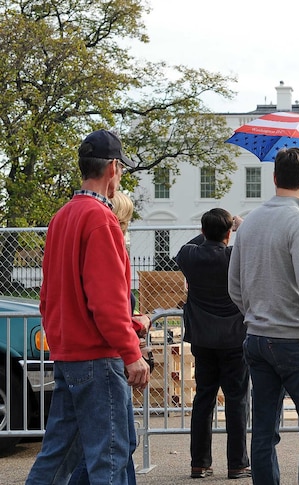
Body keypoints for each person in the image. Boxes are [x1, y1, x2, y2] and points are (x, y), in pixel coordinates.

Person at [27, 130, 150, 484]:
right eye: (121, 168)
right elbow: (106, 299)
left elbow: (49, 295)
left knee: (59, 455)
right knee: (108, 458)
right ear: (112, 168)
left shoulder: (62, 216)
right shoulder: (100, 218)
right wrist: (131, 351)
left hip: (69, 353)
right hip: (97, 356)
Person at [228, 147, 299, 485]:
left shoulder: (250, 221)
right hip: (297, 337)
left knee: (263, 431)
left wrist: (254, 315)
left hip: (257, 336)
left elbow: (235, 286)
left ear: (274, 178)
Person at [68, 190, 151, 485]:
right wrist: (132, 347)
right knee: (112, 449)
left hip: (82, 354)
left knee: (88, 448)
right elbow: (106, 307)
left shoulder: (73, 223)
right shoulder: (104, 234)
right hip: (103, 357)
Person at [176, 209, 250, 479]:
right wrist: (240, 227)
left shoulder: (190, 256)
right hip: (234, 337)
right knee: (236, 400)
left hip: (203, 338)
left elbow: (187, 246)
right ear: (229, 234)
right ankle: (237, 463)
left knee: (203, 399)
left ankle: (200, 462)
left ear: (203, 231)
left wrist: (209, 232)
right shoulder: (234, 256)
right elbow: (249, 245)